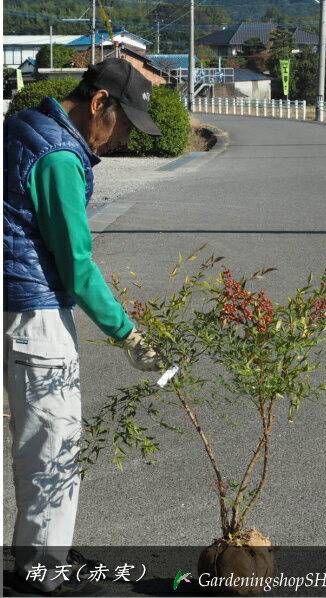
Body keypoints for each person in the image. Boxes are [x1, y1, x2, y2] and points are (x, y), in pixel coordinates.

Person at [4, 58, 163, 597]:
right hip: (36, 310)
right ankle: (44, 572)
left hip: (16, 299)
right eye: (122, 125)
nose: (120, 141)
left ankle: (44, 552)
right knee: (54, 444)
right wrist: (128, 335)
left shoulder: (25, 124)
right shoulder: (58, 158)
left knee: (42, 442)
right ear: (100, 103)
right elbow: (76, 262)